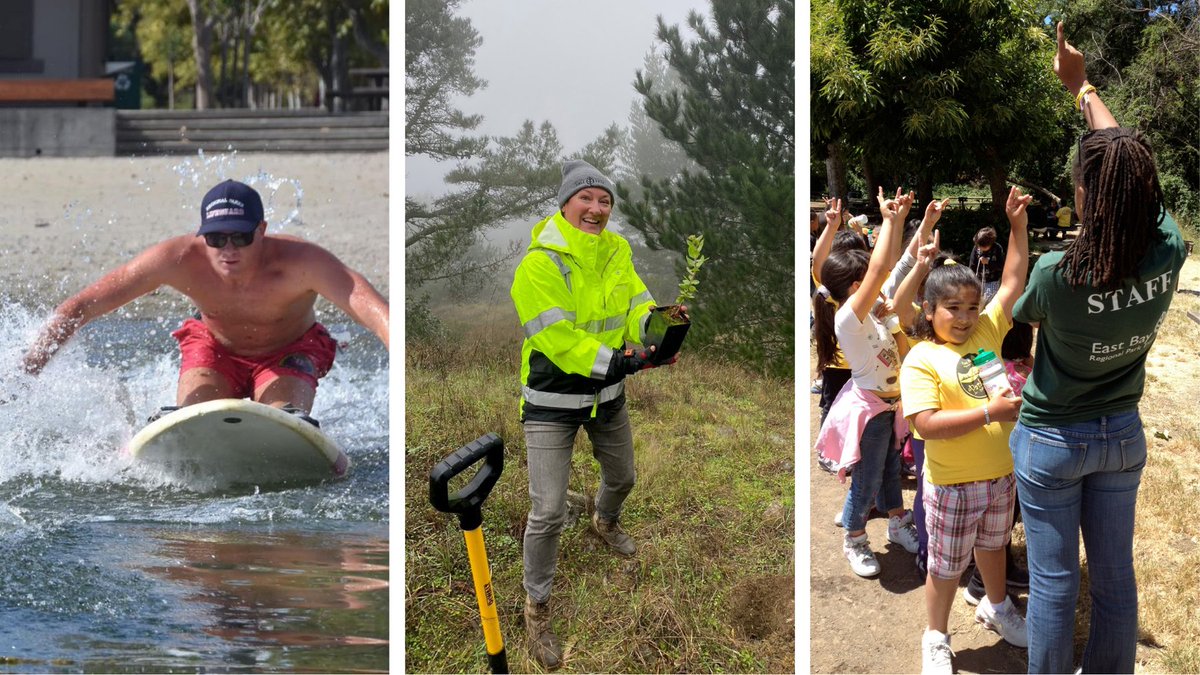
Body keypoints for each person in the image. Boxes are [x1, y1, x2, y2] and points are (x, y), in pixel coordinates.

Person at [1008, 23, 1187, 674]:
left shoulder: (1059, 274)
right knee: (1114, 581)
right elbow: (1123, 160)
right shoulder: (1170, 250)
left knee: (1056, 585)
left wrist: (1077, 85)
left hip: (1053, 439)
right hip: (1123, 438)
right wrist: (1082, 88)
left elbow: (1015, 326)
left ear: (1087, 195)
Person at [509, 159, 679, 669]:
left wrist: (658, 327)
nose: (597, 208)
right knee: (548, 512)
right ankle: (536, 605)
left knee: (623, 476)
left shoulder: (616, 250)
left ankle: (604, 520)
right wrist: (621, 362)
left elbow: (635, 302)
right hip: (552, 402)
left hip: (606, 397)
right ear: (565, 204)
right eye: (587, 198)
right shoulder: (539, 264)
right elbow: (560, 341)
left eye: (605, 201)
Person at [22, 179, 389, 415]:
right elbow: (82, 306)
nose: (228, 250)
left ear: (261, 230)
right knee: (197, 416)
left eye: (241, 237)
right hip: (214, 347)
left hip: (290, 351)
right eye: (216, 238)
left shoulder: (302, 262)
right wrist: (27, 373)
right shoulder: (178, 259)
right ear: (202, 234)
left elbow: (371, 308)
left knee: (278, 418)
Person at [898, 185, 1032, 673]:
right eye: (952, 309)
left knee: (994, 547)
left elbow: (1014, 279)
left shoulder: (986, 332)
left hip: (1001, 475)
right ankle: (935, 635)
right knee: (946, 566)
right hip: (952, 484)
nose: (964, 317)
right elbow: (926, 426)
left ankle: (997, 607)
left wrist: (1017, 225)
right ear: (929, 311)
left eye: (971, 307)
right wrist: (988, 414)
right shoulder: (922, 359)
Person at [812, 187, 925, 578]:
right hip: (870, 410)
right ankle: (854, 537)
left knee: (892, 469)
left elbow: (890, 267)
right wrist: (891, 222)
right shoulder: (848, 318)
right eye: (867, 280)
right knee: (868, 477)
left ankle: (897, 521)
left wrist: (901, 226)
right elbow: (880, 270)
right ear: (853, 287)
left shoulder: (871, 312)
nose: (876, 282)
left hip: (889, 406)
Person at [968, 226, 1006, 305]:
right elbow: (972, 265)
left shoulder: (997, 249)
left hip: (992, 280)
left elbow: (1001, 266)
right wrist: (971, 278)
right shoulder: (976, 248)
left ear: (990, 244)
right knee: (976, 300)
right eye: (979, 246)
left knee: (990, 301)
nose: (980, 248)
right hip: (978, 279)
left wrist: (989, 262)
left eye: (983, 247)